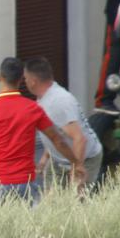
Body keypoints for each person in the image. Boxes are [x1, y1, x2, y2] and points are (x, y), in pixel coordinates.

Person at [0, 57, 85, 198]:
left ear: (0, 77)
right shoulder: (33, 108)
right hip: (25, 183)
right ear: (21, 79)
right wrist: (76, 162)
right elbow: (58, 140)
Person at [23, 57, 104, 191]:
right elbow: (55, 134)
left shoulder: (58, 102)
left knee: (75, 202)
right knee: (50, 202)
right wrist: (44, 158)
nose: (24, 82)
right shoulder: (42, 98)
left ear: (33, 81)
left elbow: (80, 139)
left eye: (25, 78)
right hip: (59, 160)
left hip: (84, 157)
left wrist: (77, 168)